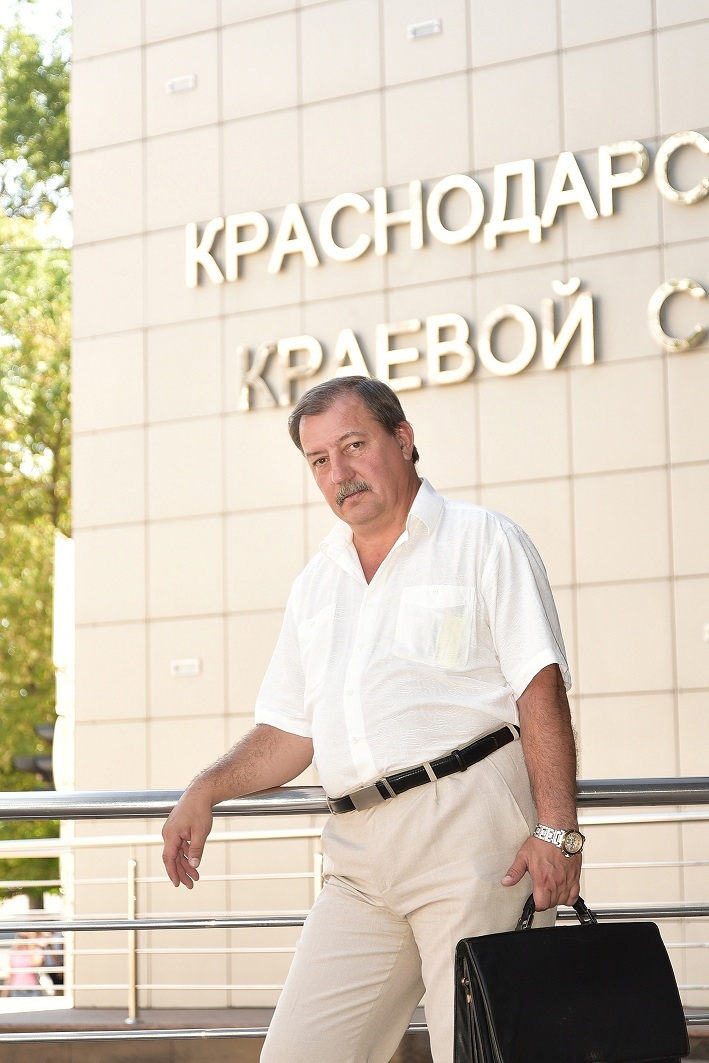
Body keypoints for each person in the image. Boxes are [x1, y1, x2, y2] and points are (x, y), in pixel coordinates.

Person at [162, 376, 582, 1063]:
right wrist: (206, 788)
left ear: (403, 439)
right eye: (319, 460)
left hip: (470, 834)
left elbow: (540, 688)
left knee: (476, 1051)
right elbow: (289, 732)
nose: (339, 472)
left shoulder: (482, 539)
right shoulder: (316, 584)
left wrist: (557, 830)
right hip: (357, 854)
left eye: (354, 446)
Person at [1, 932, 44, 998]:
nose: (23, 940)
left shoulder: (36, 951)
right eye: (21, 937)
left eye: (26, 938)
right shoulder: (14, 953)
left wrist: (31, 946)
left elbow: (36, 963)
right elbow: (11, 974)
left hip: (32, 989)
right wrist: (4, 994)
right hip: (17, 990)